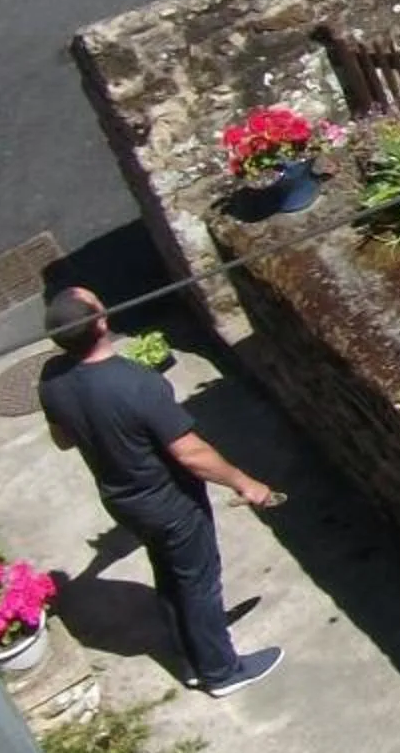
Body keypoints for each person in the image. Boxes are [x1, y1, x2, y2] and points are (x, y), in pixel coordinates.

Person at [38, 287, 285, 697]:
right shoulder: (136, 383)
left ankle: (191, 659)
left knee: (171, 576)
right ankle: (222, 672)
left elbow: (63, 439)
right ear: (101, 322)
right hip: (170, 504)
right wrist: (247, 483)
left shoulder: (52, 380)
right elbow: (191, 454)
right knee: (199, 583)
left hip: (124, 501)